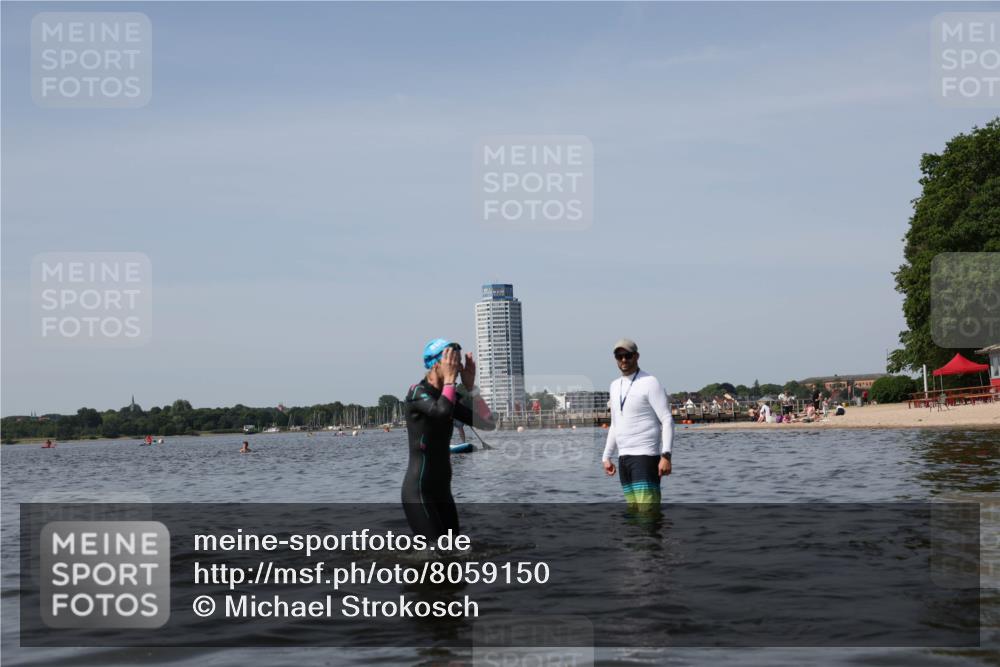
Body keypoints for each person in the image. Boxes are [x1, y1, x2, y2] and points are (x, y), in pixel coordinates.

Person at [402, 338, 496, 538]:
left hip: (443, 492)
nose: (458, 367)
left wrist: (472, 390)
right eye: (453, 362)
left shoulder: (449, 396)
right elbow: (441, 411)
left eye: (459, 363)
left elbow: (488, 423)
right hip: (419, 492)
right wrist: (451, 381)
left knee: (455, 552)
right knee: (436, 553)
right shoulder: (417, 392)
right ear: (436, 364)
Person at [602, 339, 673, 509]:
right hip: (624, 458)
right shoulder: (614, 386)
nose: (624, 360)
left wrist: (666, 456)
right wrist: (606, 456)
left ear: (637, 356)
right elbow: (615, 424)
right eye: (619, 356)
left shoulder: (650, 382)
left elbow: (667, 419)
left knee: (647, 514)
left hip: (645, 456)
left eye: (627, 355)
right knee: (633, 513)